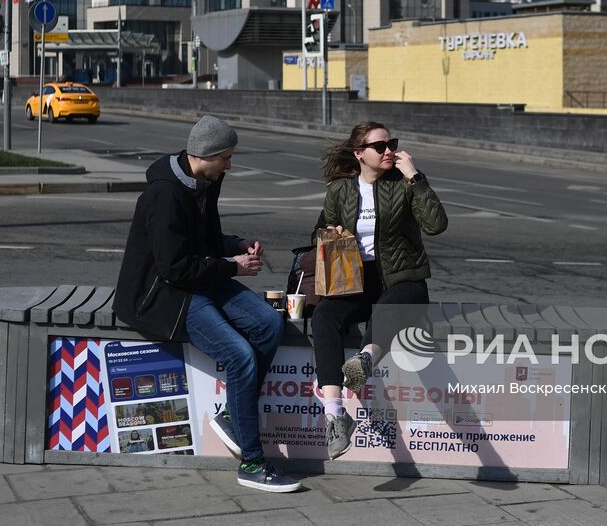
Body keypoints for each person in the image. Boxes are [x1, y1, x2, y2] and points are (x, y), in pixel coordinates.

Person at [114, 115, 301, 493]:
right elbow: (175, 267)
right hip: (166, 294)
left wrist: (232, 244)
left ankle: (233, 413)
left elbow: (203, 239)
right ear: (207, 155)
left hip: (198, 278)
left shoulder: (205, 181)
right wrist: (232, 266)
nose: (230, 165)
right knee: (241, 356)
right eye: (227, 158)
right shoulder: (164, 195)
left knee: (269, 323)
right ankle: (251, 462)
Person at [310, 121, 448, 459]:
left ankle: (365, 360)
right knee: (325, 316)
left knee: (387, 309)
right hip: (357, 280)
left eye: (392, 144)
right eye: (380, 146)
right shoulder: (340, 190)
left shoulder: (403, 184)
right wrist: (332, 231)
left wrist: (415, 177)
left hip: (404, 280)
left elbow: (436, 225)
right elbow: (318, 229)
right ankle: (334, 415)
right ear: (359, 154)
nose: (389, 151)